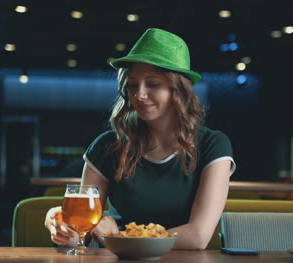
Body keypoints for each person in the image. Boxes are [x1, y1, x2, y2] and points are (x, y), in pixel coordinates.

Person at [44, 28, 236, 250]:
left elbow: (197, 236)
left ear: (179, 90)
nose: (139, 95)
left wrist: (118, 238)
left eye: (153, 84)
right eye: (133, 85)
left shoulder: (214, 145)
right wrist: (59, 223)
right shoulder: (107, 145)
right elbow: (80, 238)